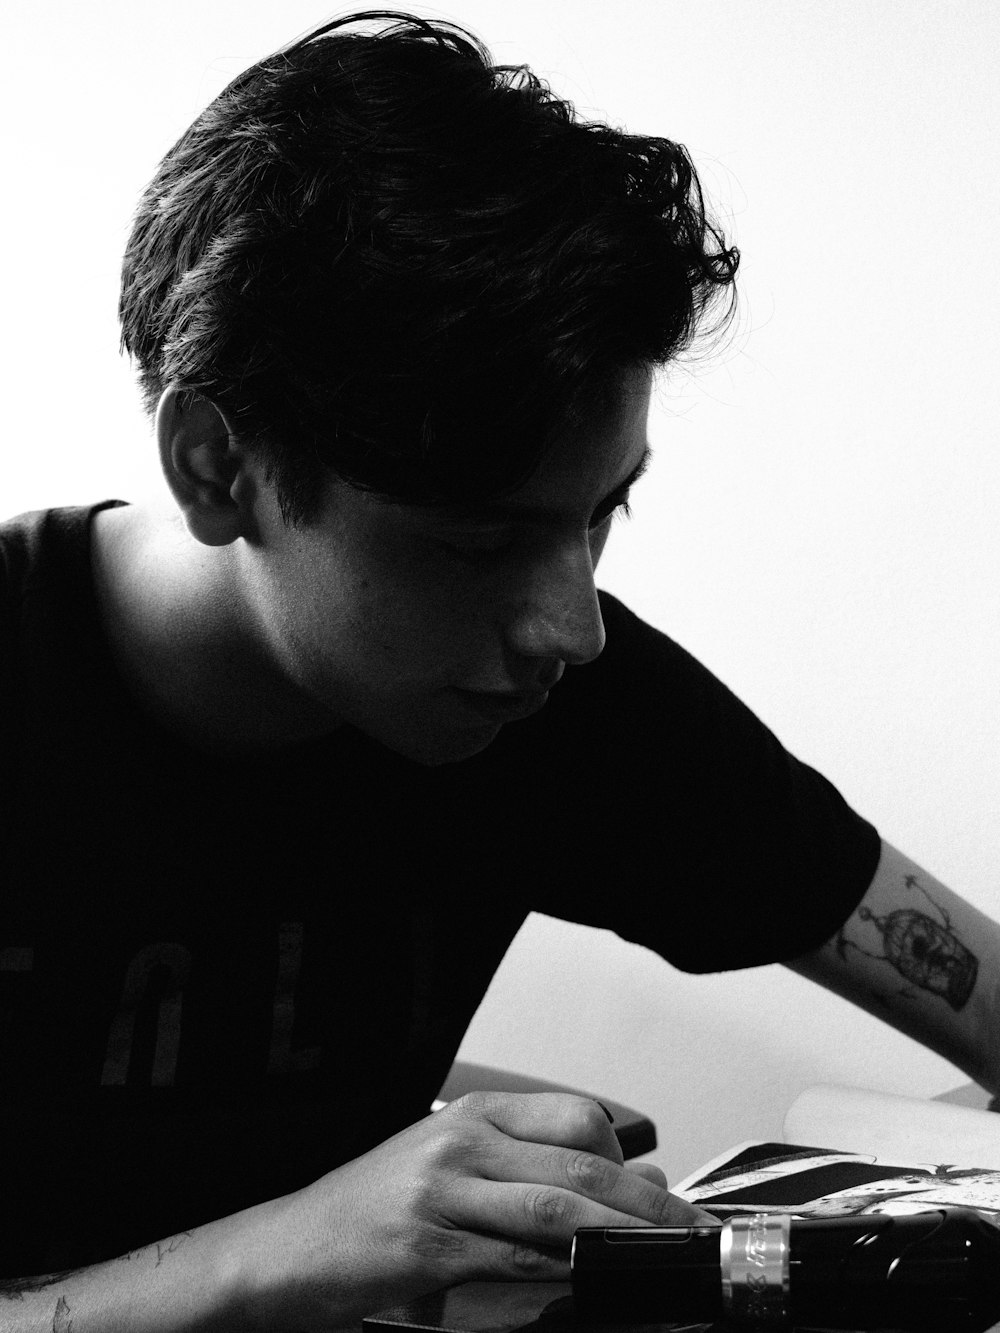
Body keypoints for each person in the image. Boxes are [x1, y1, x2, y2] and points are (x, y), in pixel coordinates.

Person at [1, 8, 997, 1329]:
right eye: (481, 539)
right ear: (216, 465)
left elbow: (978, 984)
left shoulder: (565, 699)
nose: (569, 624)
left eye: (601, 513)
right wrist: (290, 1244)